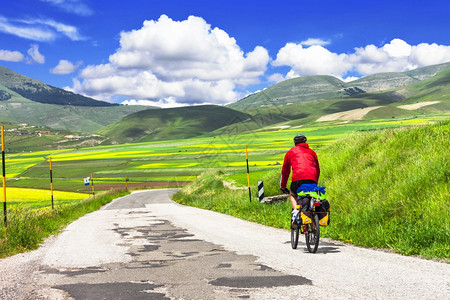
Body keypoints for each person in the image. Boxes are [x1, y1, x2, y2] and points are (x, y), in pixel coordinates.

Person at [280, 134, 320, 221]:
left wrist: (283, 186)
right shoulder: (312, 152)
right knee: (310, 198)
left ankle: (296, 212)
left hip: (297, 180)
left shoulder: (290, 152)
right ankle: (313, 227)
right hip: (312, 180)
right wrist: (315, 182)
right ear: (305, 141)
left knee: (293, 195)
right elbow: (317, 169)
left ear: (295, 143)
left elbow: (285, 171)